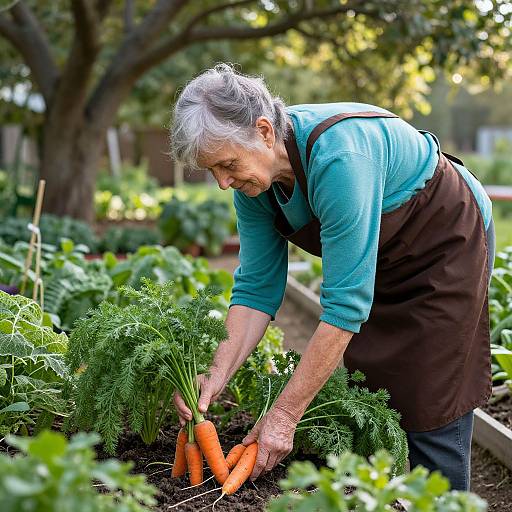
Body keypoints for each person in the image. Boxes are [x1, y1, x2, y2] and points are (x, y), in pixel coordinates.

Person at [170, 64, 495, 491]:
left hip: (445, 244)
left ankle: (447, 499)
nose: (222, 181)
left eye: (227, 164)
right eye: (212, 170)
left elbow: (344, 306)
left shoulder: (338, 158)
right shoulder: (255, 182)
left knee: (430, 396)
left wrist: (284, 416)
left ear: (264, 132)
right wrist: (214, 376)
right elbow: (256, 289)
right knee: (373, 388)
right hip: (383, 255)